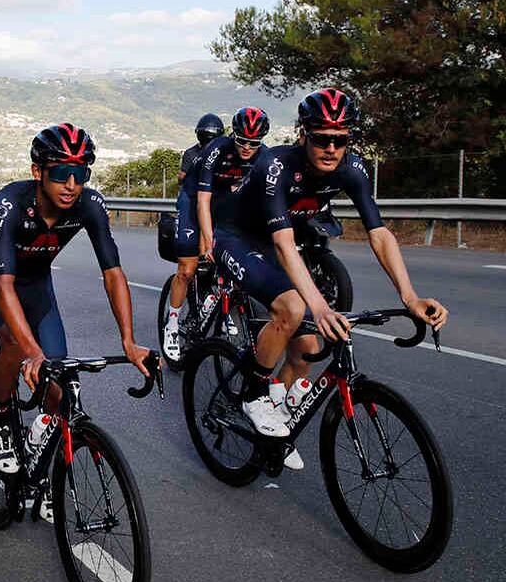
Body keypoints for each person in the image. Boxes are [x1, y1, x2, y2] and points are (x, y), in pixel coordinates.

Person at [213, 88, 448, 469]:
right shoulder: (275, 165)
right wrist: (320, 307)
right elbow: (284, 243)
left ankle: (276, 427)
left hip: (282, 242)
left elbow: (379, 233)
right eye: (322, 138)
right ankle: (254, 393)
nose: (331, 148)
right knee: (293, 307)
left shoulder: (352, 169)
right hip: (240, 239)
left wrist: (410, 297)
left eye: (341, 140)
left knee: (305, 351)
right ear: (303, 134)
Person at [0, 123, 151, 518]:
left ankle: (40, 459)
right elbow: (3, 284)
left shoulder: (89, 204)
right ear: (38, 172)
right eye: (60, 173)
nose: (71, 184)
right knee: (17, 347)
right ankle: (0, 420)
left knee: (61, 385)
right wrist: (32, 352)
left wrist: (129, 340)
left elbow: (113, 273)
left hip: (37, 284)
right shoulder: (10, 203)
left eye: (81, 173)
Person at [162, 113, 225, 360]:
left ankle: (220, 309)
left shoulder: (227, 154)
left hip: (213, 204)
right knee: (187, 270)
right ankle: (173, 323)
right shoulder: (190, 154)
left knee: (219, 259)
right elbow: (185, 181)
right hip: (191, 203)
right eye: (205, 137)